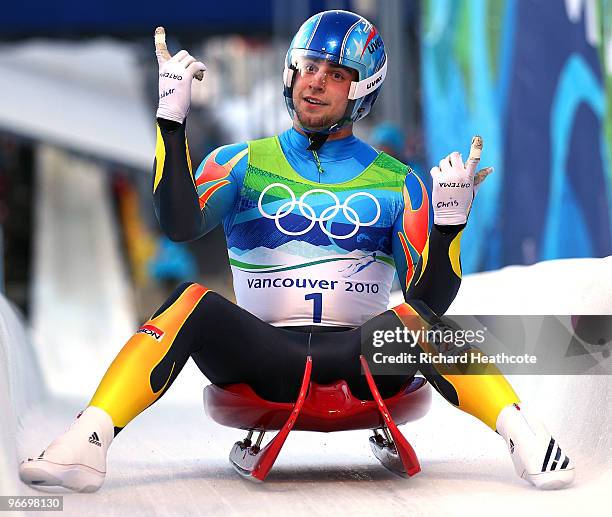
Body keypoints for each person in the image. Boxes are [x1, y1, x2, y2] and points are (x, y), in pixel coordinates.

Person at [19, 10, 574, 492]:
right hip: (265, 357)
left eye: (335, 75)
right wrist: (170, 124)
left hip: (359, 358)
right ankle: (88, 440)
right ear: (289, 74)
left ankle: (526, 438)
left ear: (361, 90)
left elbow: (429, 301)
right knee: (191, 300)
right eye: (308, 68)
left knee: (420, 324)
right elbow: (181, 225)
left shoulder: (397, 179)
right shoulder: (240, 160)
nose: (315, 84)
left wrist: (450, 226)